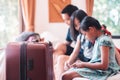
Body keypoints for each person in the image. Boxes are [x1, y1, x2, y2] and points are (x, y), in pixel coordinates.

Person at [54, 10, 94, 80]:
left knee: (61, 58)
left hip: (87, 60)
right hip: (80, 56)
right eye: (75, 25)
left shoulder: (92, 32)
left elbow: (107, 45)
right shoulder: (78, 36)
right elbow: (75, 52)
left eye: (80, 24)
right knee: (60, 57)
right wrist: (68, 62)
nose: (78, 27)